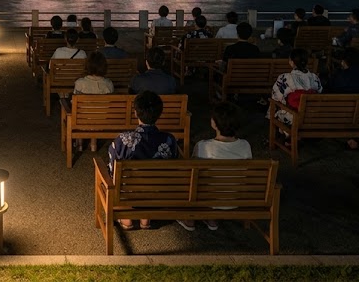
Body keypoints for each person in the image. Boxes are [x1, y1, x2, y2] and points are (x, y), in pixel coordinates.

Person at [107, 91, 179, 230]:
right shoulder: (169, 140)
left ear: (136, 113)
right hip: (158, 191)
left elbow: (112, 169)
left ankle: (126, 216)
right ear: (159, 113)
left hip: (128, 192)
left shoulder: (123, 139)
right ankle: (146, 218)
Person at [181, 102, 253, 231]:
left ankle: (194, 218)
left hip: (209, 198)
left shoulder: (203, 146)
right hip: (236, 198)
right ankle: (211, 219)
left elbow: (192, 171)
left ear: (214, 124)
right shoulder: (245, 146)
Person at [269, 48, 322, 131]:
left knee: (275, 105)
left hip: (293, 117)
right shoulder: (315, 78)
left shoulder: (286, 78)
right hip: (311, 116)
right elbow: (319, 92)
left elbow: (276, 97)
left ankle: (285, 136)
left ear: (292, 62)